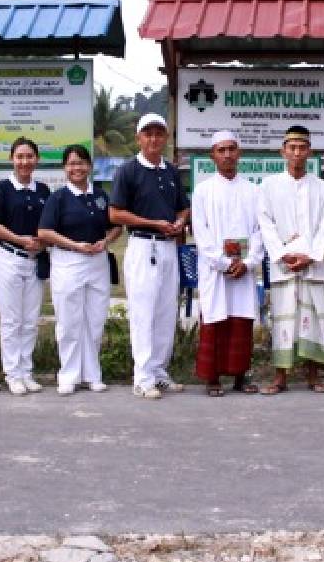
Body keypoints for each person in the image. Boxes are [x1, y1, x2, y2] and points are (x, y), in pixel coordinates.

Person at [109, 113, 190, 400]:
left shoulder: (170, 172)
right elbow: (115, 213)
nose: (153, 139)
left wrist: (180, 222)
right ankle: (142, 377)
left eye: (159, 133)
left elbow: (182, 207)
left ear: (166, 138)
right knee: (144, 313)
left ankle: (158, 372)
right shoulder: (128, 171)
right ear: (139, 138)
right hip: (143, 246)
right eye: (148, 134)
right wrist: (152, 222)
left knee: (166, 313)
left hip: (168, 246)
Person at [258, 126, 324, 394]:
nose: (296, 153)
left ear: (309, 151)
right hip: (283, 264)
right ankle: (280, 377)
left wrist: (311, 256)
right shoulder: (268, 186)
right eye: (291, 147)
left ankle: (313, 376)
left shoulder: (323, 188)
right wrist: (282, 253)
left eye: (302, 147)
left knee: (312, 318)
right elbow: (265, 223)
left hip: (311, 265)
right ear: (283, 151)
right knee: (283, 319)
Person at [38, 144, 119, 396]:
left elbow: (116, 225)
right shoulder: (58, 198)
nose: (77, 168)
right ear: (65, 168)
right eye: (72, 164)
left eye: (81, 163)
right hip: (68, 262)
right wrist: (75, 245)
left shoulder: (100, 196)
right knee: (70, 322)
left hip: (97, 262)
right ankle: (69, 375)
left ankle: (92, 374)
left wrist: (105, 241)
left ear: (89, 166)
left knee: (95, 320)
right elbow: (44, 232)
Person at [190, 131, 265, 397]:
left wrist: (247, 262)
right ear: (212, 155)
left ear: (239, 153)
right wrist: (223, 263)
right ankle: (212, 379)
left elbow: (259, 231)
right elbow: (201, 233)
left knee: (240, 322)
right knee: (215, 320)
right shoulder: (202, 191)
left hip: (243, 270)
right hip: (215, 271)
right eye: (221, 150)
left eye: (232, 149)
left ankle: (240, 378)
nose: (227, 155)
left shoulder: (254, 191)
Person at [0, 137, 51, 396]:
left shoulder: (43, 190)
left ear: (36, 159)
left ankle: (26, 371)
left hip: (34, 262)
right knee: (11, 321)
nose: (24, 161)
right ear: (12, 159)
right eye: (19, 156)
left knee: (30, 320)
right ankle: (12, 374)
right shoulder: (1, 189)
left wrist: (41, 243)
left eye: (29, 156)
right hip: (9, 258)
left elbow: (49, 226)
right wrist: (18, 239)